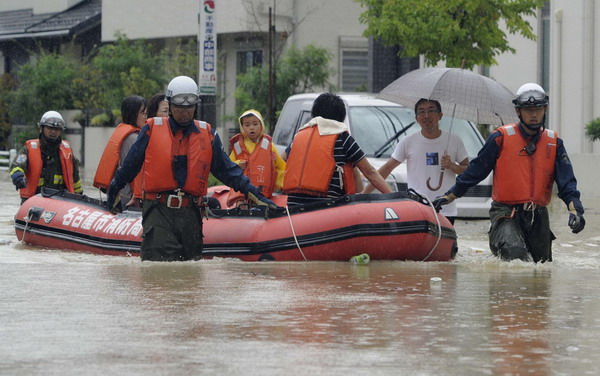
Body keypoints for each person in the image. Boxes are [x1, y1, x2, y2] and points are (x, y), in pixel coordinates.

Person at [106, 76, 277, 261]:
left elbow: (229, 171)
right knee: (160, 273)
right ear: (170, 105)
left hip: (191, 215)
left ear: (196, 105)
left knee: (191, 274)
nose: (185, 112)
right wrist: (114, 189)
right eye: (180, 106)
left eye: (190, 106)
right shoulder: (151, 130)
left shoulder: (207, 134)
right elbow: (130, 166)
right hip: (159, 211)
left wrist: (257, 196)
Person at [433, 83, 585, 263]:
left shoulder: (554, 143)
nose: (533, 114)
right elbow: (476, 170)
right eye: (528, 110)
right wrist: (450, 195)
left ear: (545, 109)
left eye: (538, 109)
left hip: (538, 216)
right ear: (518, 112)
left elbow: (567, 182)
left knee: (541, 268)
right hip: (505, 211)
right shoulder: (500, 138)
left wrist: (576, 210)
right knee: (515, 255)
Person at [362, 98, 469, 224]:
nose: (426, 116)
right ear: (416, 118)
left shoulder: (454, 140)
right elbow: (387, 169)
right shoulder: (408, 142)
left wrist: (452, 166)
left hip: (445, 208)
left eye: (431, 111)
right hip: (417, 208)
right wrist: (364, 194)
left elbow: (467, 170)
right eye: (421, 112)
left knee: (445, 243)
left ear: (440, 115)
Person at [283, 92, 392, 206]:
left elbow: (280, 161)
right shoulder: (343, 138)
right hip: (328, 209)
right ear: (341, 116)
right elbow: (370, 172)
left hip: (294, 208)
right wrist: (395, 198)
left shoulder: (299, 137)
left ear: (314, 114)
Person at [10, 111, 83, 203]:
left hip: (60, 201)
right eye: (50, 128)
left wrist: (79, 198)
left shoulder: (67, 152)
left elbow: (75, 178)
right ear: (42, 128)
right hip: (33, 200)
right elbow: (17, 165)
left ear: (61, 131)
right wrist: (18, 177)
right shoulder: (29, 149)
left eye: (57, 129)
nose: (53, 131)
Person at [93, 95, 147, 209]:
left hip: (118, 194)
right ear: (132, 114)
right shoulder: (133, 138)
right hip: (127, 199)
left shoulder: (126, 134)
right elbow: (136, 172)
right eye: (143, 113)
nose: (146, 118)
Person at [227, 109, 286, 207]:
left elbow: (281, 167)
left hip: (261, 193)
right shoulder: (238, 147)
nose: (251, 128)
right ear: (242, 127)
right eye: (247, 125)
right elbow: (228, 166)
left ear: (261, 125)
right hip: (242, 192)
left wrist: (282, 185)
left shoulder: (269, 146)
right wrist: (237, 164)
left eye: (255, 124)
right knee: (241, 203)